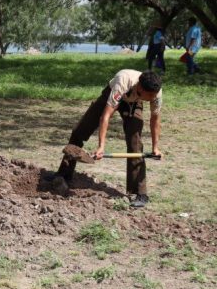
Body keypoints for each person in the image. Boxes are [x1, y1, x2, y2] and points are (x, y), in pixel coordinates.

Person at [51, 70, 162, 208]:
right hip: (112, 94)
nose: (152, 98)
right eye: (150, 95)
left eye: (154, 95)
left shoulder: (155, 92)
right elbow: (105, 116)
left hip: (134, 102)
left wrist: (155, 147)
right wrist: (101, 146)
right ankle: (63, 174)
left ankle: (140, 193)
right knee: (79, 131)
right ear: (140, 87)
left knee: (136, 143)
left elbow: (155, 119)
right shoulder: (122, 82)